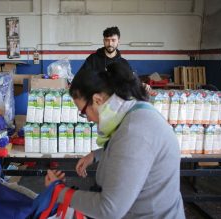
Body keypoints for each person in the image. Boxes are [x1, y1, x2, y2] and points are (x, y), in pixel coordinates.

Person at [45, 62, 185, 218]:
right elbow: (126, 151)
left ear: (97, 100)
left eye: (83, 112)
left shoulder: (135, 132)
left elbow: (108, 210)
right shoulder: (135, 112)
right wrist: (97, 155)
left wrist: (59, 192)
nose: (89, 119)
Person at [79, 26, 152, 92]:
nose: (110, 43)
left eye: (113, 40)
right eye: (107, 40)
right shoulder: (92, 59)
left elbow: (131, 80)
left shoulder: (123, 63)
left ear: (118, 42)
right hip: (97, 100)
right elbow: (81, 78)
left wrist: (142, 85)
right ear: (103, 41)